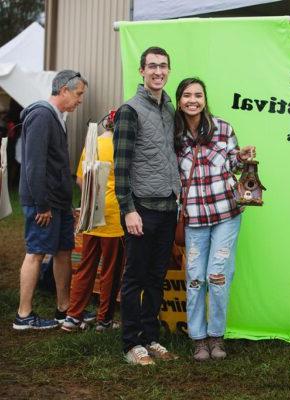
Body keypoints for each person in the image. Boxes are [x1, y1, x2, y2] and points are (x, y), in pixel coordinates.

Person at [174, 77, 255, 362]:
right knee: (195, 278)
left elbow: (233, 165)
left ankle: (217, 336)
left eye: (197, 95)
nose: (192, 100)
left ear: (204, 98)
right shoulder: (174, 133)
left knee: (217, 277)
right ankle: (198, 338)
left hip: (225, 214)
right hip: (194, 217)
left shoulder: (223, 128)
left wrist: (242, 157)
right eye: (186, 95)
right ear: (179, 99)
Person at [113, 47, 180, 365]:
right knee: (134, 279)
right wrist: (128, 209)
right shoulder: (130, 110)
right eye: (152, 66)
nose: (158, 71)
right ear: (141, 71)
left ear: (169, 70)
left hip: (168, 207)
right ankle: (131, 344)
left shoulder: (169, 109)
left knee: (156, 277)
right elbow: (121, 166)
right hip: (142, 209)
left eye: (163, 66)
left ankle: (151, 337)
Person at [13, 70, 87, 330]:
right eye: (78, 94)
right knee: (36, 253)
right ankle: (24, 315)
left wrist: (64, 203)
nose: (80, 100)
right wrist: (41, 204)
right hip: (43, 203)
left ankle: (64, 309)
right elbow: (33, 164)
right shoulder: (42, 115)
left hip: (59, 202)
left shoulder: (57, 117)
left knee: (63, 251)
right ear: (63, 90)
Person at [62, 111, 125, 332]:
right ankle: (104, 320)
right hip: (115, 217)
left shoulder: (93, 142)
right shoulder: (124, 146)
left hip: (91, 212)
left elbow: (80, 179)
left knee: (85, 266)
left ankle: (73, 316)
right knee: (111, 269)